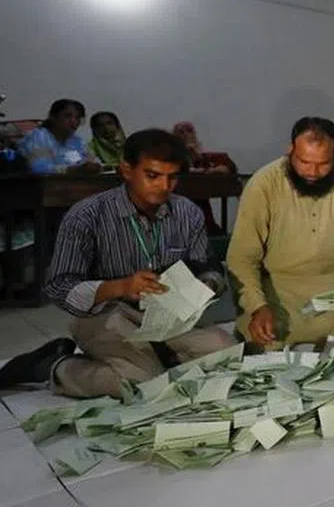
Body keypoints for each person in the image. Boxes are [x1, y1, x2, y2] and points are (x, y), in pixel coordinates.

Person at [0, 129, 236, 396]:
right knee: (140, 384)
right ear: (126, 170)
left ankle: (149, 360)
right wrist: (119, 287)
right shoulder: (86, 215)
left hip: (168, 315)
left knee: (224, 352)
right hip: (106, 313)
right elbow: (58, 286)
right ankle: (56, 366)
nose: (163, 186)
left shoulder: (186, 212)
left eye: (172, 178)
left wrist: (207, 284)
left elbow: (207, 264)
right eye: (152, 176)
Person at [226, 117, 334, 348]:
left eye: (323, 164)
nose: (312, 172)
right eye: (303, 161)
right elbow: (241, 257)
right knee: (266, 338)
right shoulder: (264, 183)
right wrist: (257, 307)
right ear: (290, 150)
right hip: (280, 292)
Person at [172, 121, 237, 235]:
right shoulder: (170, 159)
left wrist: (198, 156)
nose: (186, 135)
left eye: (189, 131)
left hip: (204, 222)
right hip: (177, 223)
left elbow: (228, 167)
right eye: (181, 132)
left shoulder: (204, 157)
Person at [18, 99, 101, 175]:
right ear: (53, 117)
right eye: (68, 116)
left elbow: (91, 161)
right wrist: (71, 170)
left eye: (78, 117)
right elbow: (38, 167)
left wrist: (94, 166)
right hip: (44, 186)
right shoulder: (39, 136)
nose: (73, 121)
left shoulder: (77, 140)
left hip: (77, 184)